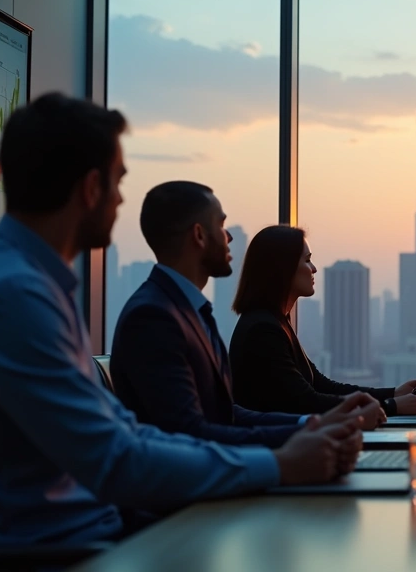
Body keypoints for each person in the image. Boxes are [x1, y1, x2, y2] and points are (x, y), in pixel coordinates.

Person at [0, 93, 359, 548]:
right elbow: (117, 460)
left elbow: (127, 434)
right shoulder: (11, 297)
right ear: (91, 188)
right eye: (118, 182)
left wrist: (295, 441)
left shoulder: (25, 283)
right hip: (71, 556)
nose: (122, 199)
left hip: (103, 532)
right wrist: (280, 464)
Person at [111, 181, 385, 447]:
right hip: (193, 490)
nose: (229, 236)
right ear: (198, 235)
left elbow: (226, 414)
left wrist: (312, 426)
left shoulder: (188, 311)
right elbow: (190, 434)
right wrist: (289, 456)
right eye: (221, 225)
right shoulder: (154, 318)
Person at [229, 225, 416, 421]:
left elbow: (321, 385)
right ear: (284, 268)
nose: (314, 268)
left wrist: (394, 393)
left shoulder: (276, 321)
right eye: (307, 260)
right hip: (283, 449)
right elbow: (306, 402)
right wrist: (391, 406)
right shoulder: (263, 330)